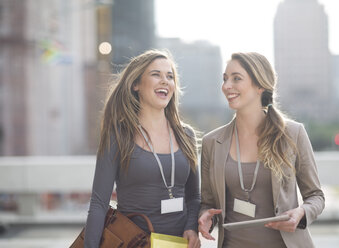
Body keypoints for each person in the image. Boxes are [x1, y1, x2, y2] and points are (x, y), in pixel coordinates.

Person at [198, 52, 325, 248]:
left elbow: (316, 196)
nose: (226, 86)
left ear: (260, 86)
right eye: (225, 79)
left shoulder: (293, 134)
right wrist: (206, 217)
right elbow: (208, 203)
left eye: (236, 78)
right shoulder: (211, 142)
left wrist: (301, 213)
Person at [84, 50, 201, 248]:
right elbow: (98, 204)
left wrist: (192, 227)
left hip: (179, 245)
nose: (165, 81)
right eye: (156, 74)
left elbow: (194, 197)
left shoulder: (186, 135)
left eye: (170, 76)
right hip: (134, 243)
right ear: (136, 84)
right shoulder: (118, 135)